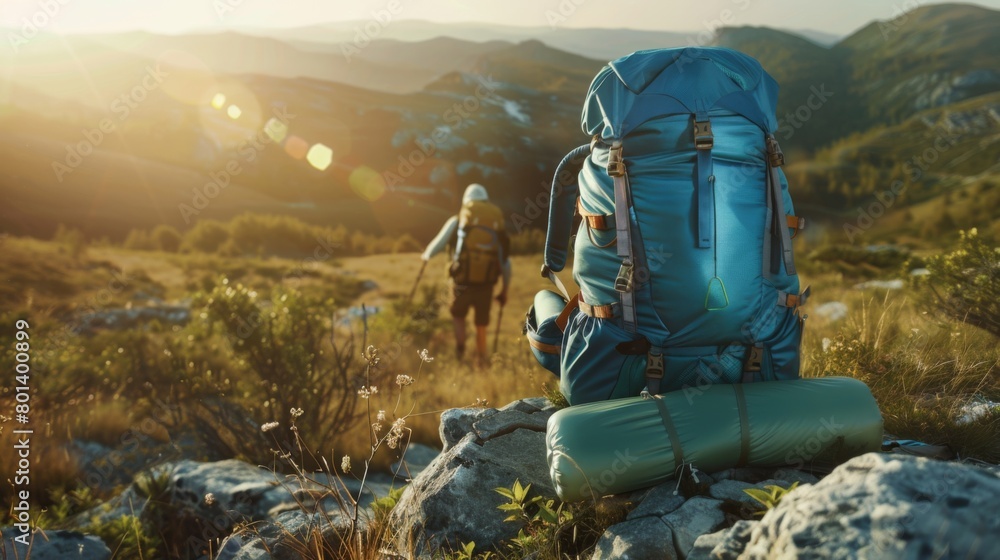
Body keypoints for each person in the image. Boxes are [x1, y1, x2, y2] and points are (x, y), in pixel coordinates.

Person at [422, 183, 511, 365]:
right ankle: (481, 358)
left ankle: (460, 351)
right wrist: (505, 290)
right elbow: (505, 261)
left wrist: (425, 256)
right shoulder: (495, 224)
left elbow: (439, 243)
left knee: (458, 315)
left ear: (466, 202)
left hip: (461, 282)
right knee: (481, 322)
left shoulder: (458, 221)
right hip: (486, 283)